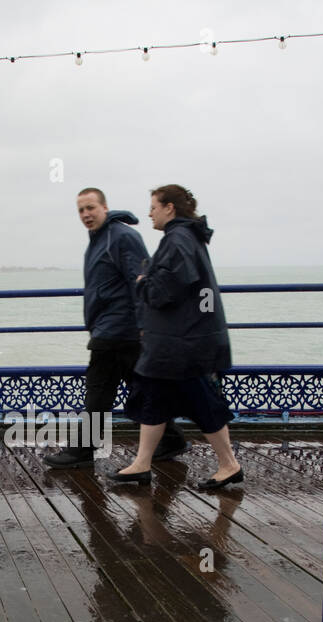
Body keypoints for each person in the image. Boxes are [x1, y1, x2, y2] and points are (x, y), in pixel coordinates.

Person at [43, 187, 187, 468]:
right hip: (112, 328)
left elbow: (140, 280)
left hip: (120, 328)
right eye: (81, 210)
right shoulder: (99, 239)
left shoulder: (121, 237)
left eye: (91, 208)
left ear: (105, 208)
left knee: (98, 391)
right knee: (141, 389)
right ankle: (171, 439)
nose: (86, 214)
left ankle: (83, 450)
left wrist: (145, 324)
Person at [112, 184, 242, 491]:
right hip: (176, 341)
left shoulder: (178, 239)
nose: (149, 213)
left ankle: (229, 465)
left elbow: (165, 290)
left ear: (169, 207)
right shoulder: (185, 237)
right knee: (155, 398)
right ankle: (142, 464)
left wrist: (143, 282)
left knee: (202, 402)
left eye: (154, 207)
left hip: (182, 344)